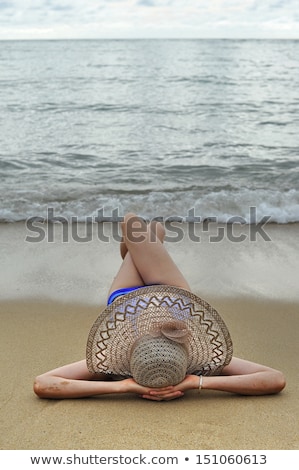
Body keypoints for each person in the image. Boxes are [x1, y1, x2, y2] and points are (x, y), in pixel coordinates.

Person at [33, 213, 286, 401]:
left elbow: (43, 383)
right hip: (173, 292)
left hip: (126, 295)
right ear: (187, 353)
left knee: (134, 223)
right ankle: (147, 248)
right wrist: (196, 382)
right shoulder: (200, 363)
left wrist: (123, 387)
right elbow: (276, 379)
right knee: (151, 230)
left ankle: (142, 250)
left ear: (128, 359)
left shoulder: (112, 363)